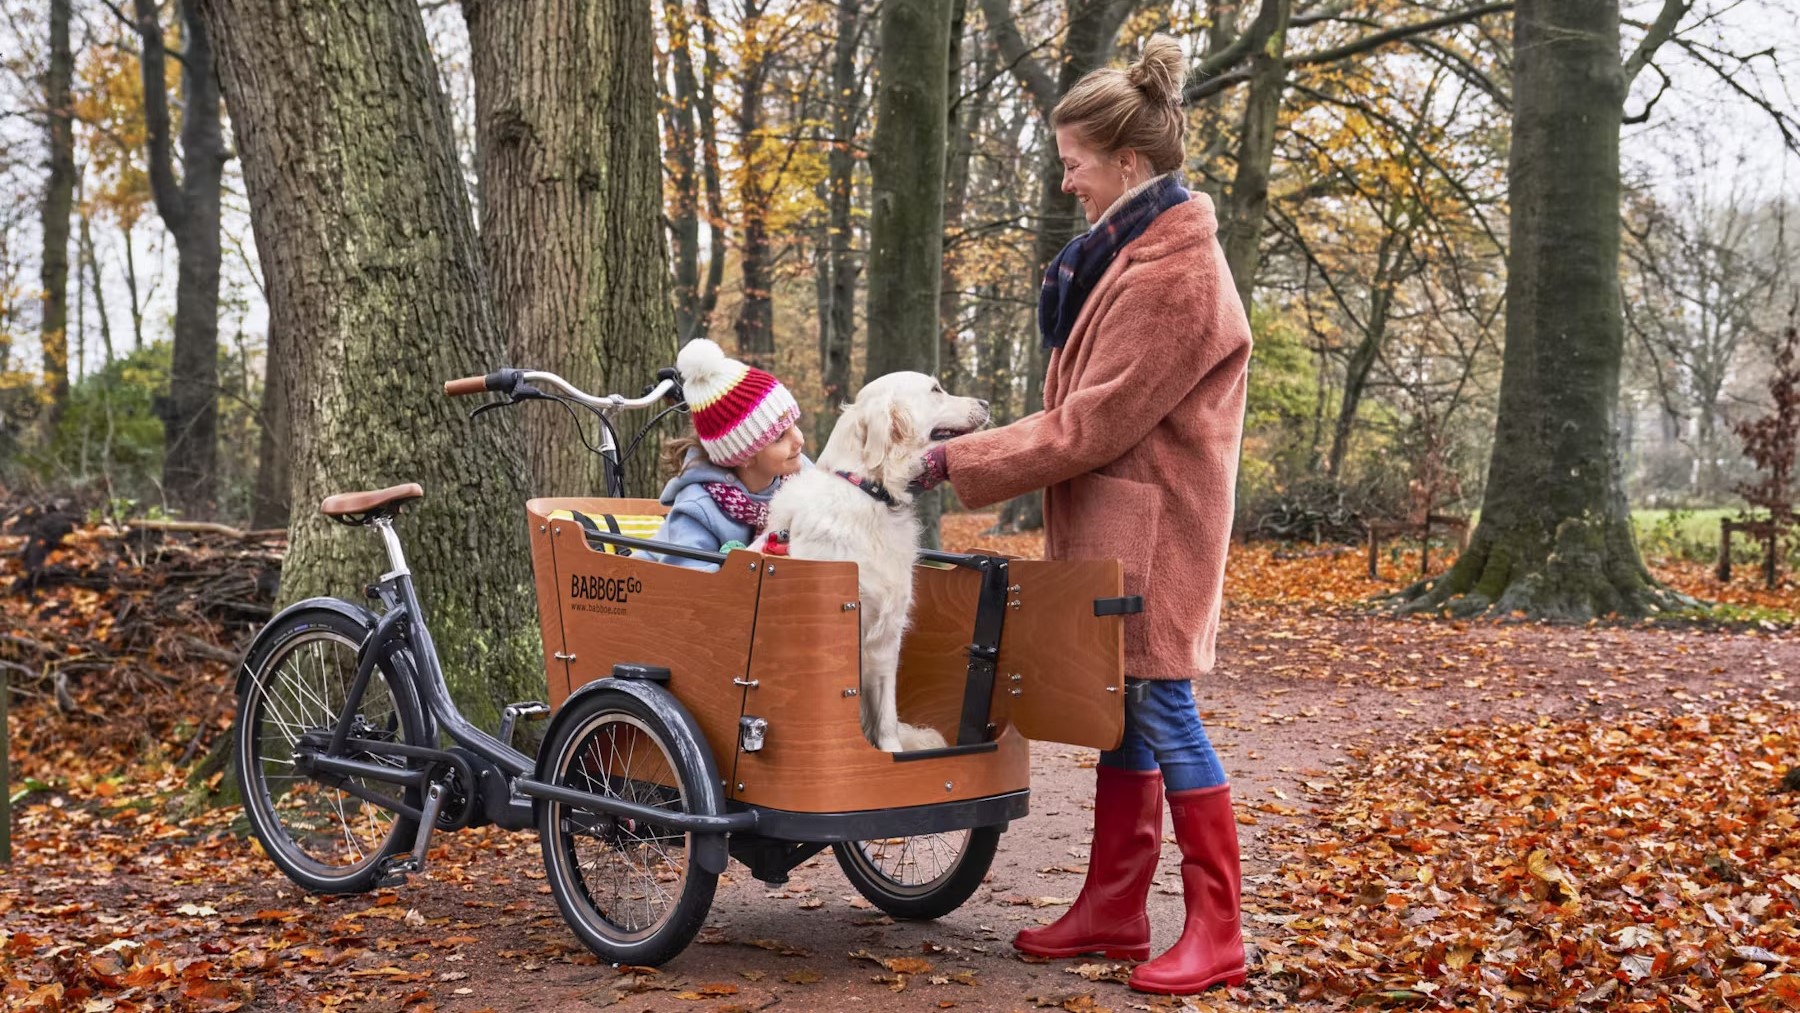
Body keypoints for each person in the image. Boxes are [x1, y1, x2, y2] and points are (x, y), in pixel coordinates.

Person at [915, 34, 1252, 997]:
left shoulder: (1175, 277)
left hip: (1156, 536)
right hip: (1121, 530)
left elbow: (1089, 424)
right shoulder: (1130, 254)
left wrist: (950, 460)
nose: (1066, 183)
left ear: (1131, 164)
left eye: (1075, 164)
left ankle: (1217, 930)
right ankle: (1113, 909)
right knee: (1125, 718)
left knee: (1163, 709)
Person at [641, 339, 808, 570]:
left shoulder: (804, 478)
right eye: (779, 437)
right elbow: (687, 582)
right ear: (744, 456)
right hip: (652, 588)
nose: (799, 440)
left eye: (794, 425)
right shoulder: (700, 509)